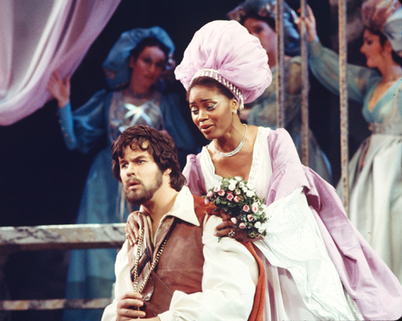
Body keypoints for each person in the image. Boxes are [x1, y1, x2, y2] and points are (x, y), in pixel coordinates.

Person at [127, 20, 402, 320]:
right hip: (238, 275)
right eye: (194, 109)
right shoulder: (197, 165)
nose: (200, 116)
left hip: (288, 270)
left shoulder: (273, 143)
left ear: (234, 102)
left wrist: (248, 225)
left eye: (209, 105)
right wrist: (142, 220)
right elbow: (181, 214)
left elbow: (292, 207)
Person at [47, 26, 198, 320]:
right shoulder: (108, 99)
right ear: (132, 61)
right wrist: (64, 103)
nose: (152, 70)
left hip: (149, 189)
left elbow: (187, 147)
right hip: (105, 188)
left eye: (158, 64)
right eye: (146, 61)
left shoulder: (164, 103)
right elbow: (76, 140)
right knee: (100, 256)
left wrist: (165, 145)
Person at [102, 125, 263, 321]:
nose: (129, 171)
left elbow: (232, 301)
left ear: (167, 167)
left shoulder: (210, 220)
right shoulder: (134, 236)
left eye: (140, 161)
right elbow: (120, 300)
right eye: (124, 164)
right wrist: (115, 315)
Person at [299, 0, 402, 283]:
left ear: (388, 45)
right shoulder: (371, 82)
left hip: (394, 170)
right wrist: (314, 41)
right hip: (369, 166)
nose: (363, 48)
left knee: (391, 224)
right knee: (360, 219)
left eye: (369, 42)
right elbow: (338, 73)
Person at [226, 0, 332, 183]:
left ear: (278, 31)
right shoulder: (246, 73)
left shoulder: (294, 68)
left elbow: (275, 116)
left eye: (258, 30)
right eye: (248, 33)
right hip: (258, 151)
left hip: (294, 150)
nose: (252, 38)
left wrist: (234, 112)